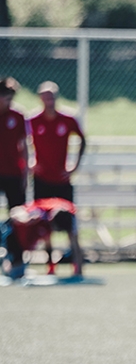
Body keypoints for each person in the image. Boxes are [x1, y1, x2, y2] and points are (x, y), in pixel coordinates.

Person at [28, 81, 85, 277]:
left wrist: (74, 167)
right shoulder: (33, 120)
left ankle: (77, 265)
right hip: (42, 180)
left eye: (51, 96)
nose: (48, 100)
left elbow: (83, 140)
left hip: (62, 181)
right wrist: (31, 162)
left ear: (56, 98)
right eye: (45, 96)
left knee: (70, 223)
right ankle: (50, 265)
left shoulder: (67, 119)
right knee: (44, 226)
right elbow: (20, 141)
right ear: (40, 98)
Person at [0, 77, 29, 277]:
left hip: (13, 174)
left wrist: (26, 172)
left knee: (18, 218)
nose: (7, 102)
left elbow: (24, 146)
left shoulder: (18, 116)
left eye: (10, 98)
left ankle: (17, 260)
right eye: (4, 98)